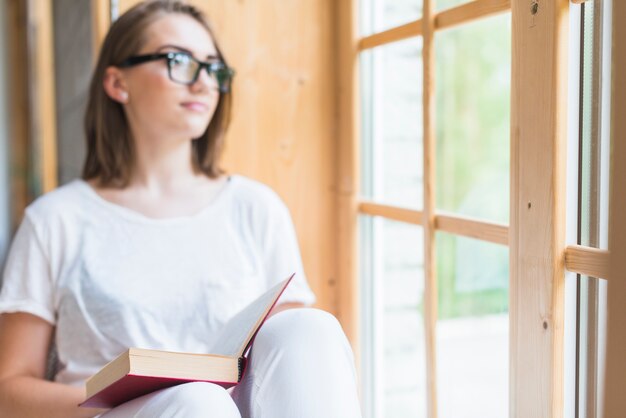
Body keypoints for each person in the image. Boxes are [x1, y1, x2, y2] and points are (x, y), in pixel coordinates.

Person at [0, 1, 362, 417]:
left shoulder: (256, 208)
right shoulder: (55, 221)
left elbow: (290, 369)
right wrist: (129, 398)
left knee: (309, 328)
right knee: (195, 402)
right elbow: (10, 392)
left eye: (213, 68)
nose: (204, 82)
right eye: (179, 61)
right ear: (118, 83)